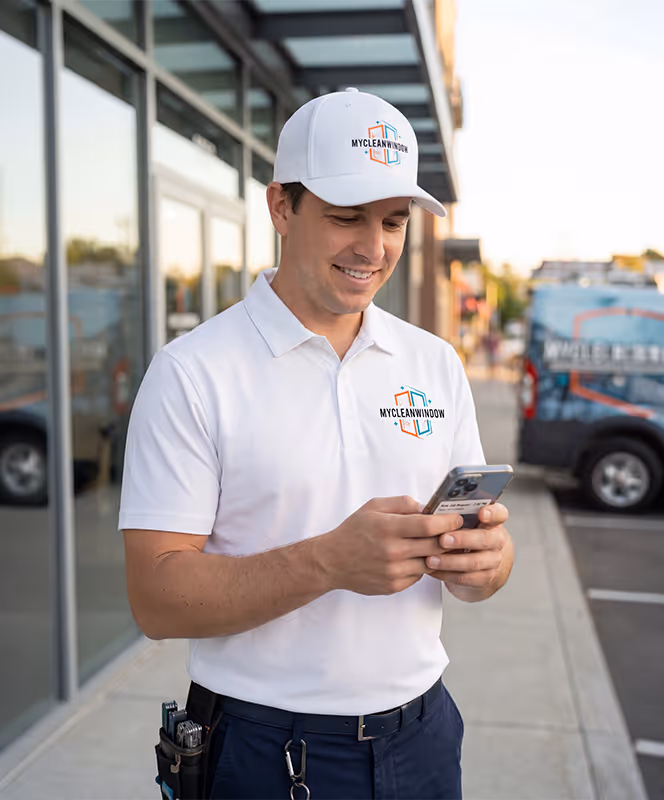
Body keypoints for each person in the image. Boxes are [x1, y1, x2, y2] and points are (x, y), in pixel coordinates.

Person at [120, 88, 514, 800]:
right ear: (281, 208)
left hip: (424, 734)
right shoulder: (192, 372)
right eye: (345, 217)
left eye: (393, 221)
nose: (374, 246)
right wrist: (329, 560)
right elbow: (155, 599)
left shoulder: (436, 365)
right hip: (263, 751)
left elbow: (479, 568)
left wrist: (487, 564)